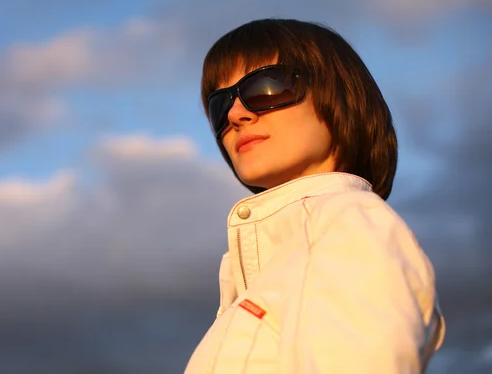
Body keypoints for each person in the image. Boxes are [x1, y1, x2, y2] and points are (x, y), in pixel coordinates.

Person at [184, 19, 445, 373]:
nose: (235, 115)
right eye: (219, 104)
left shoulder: (349, 225)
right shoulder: (279, 261)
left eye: (265, 85)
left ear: (339, 96)